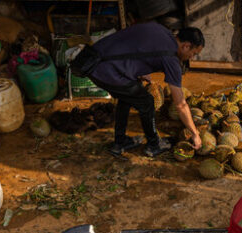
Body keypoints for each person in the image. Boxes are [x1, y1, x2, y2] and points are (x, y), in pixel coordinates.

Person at [78, 24, 205, 157]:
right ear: (186, 46)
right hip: (106, 70)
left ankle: (119, 143)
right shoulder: (171, 58)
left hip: (92, 59)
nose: (192, 57)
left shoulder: (160, 30)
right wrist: (194, 133)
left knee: (127, 95)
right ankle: (153, 145)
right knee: (147, 102)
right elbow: (180, 105)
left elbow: (135, 42)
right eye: (194, 53)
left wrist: (139, 68)